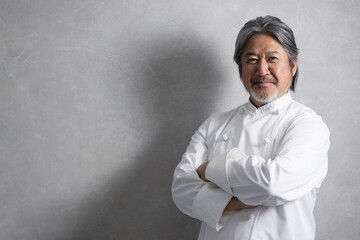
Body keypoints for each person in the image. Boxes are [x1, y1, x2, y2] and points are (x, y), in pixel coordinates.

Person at [171, 15, 330, 240]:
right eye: (252, 59)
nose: (262, 70)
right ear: (240, 67)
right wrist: (241, 198)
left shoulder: (308, 124)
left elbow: (273, 183)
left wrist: (208, 171)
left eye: (272, 58)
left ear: (293, 65)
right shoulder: (215, 124)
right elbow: (181, 190)